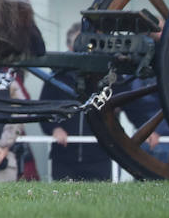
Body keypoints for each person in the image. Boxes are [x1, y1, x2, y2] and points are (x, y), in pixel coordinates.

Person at [39, 23, 114, 180]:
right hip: (65, 157)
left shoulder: (105, 78)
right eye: (78, 44)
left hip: (99, 157)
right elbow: (43, 108)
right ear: (69, 46)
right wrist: (54, 129)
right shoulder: (56, 78)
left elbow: (126, 104)